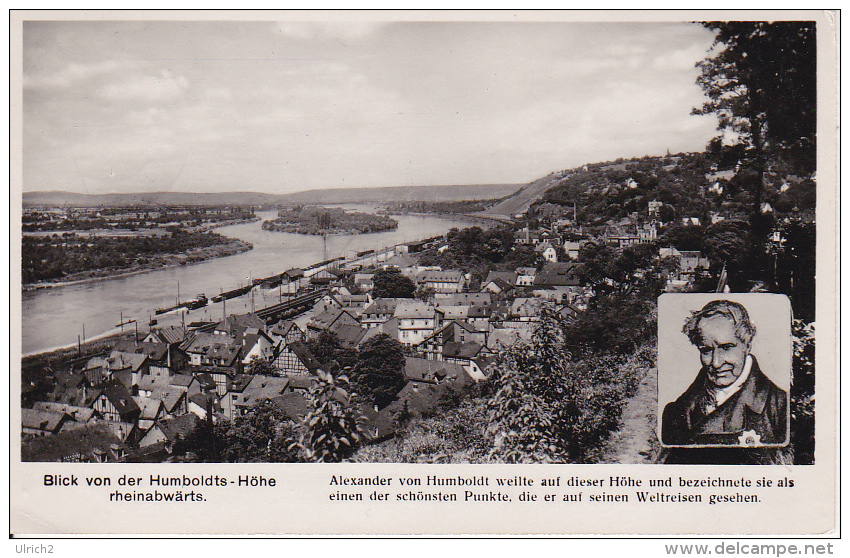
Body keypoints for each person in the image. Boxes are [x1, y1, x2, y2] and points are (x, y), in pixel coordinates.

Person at [661, 300, 788, 447]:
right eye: (706, 350)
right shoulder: (676, 412)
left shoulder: (780, 409)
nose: (716, 363)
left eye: (726, 348)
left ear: (747, 345)